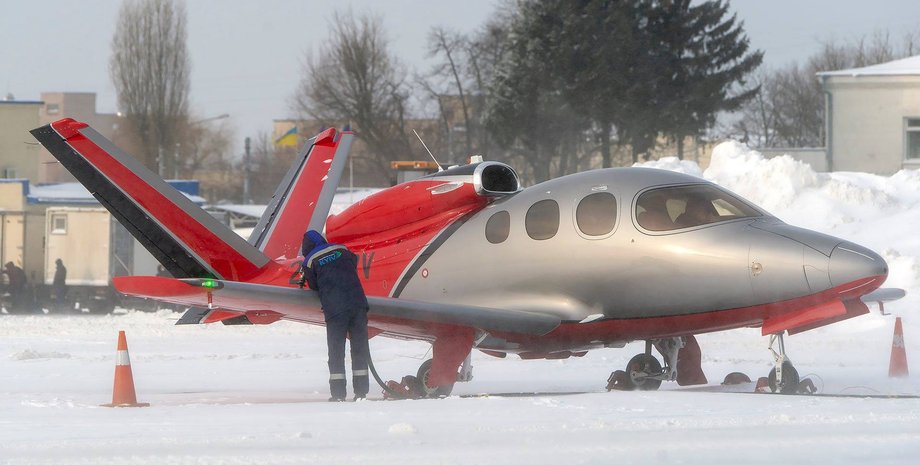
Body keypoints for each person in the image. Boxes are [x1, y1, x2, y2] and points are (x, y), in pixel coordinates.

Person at [299, 230, 371, 401]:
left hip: (336, 310)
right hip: (358, 304)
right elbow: (352, 263)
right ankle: (361, 393)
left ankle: (338, 394)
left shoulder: (310, 260)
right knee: (360, 349)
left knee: (336, 352)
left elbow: (314, 285)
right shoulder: (342, 249)